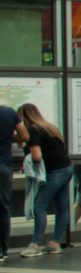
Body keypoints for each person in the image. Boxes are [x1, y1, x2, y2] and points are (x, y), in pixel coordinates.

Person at [19, 103, 72, 255]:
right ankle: (55, 243)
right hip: (66, 168)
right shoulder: (49, 127)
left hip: (55, 171)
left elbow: (36, 156)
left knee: (38, 207)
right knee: (61, 208)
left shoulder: (33, 130)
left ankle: (35, 245)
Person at [0, 97, 16, 263]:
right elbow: (24, 135)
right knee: (3, 208)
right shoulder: (9, 112)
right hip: (3, 164)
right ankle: (2, 250)